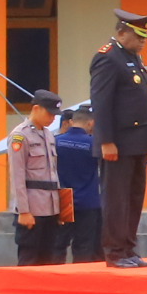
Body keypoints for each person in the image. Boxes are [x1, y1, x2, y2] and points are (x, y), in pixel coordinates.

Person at [88, 8, 147, 267]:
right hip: (118, 143)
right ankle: (114, 252)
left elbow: (130, 99)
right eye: (139, 35)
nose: (143, 40)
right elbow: (101, 103)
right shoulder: (108, 58)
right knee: (117, 198)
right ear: (122, 33)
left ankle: (128, 250)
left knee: (134, 197)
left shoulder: (132, 57)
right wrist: (105, 141)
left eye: (145, 36)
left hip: (137, 141)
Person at [5, 90, 67, 266]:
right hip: (32, 208)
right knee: (29, 257)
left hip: (51, 207)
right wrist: (23, 211)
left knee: (48, 258)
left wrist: (61, 207)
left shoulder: (48, 135)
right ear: (36, 108)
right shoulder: (20, 135)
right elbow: (17, 176)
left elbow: (53, 173)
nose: (53, 118)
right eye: (49, 113)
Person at [53, 104, 101, 264]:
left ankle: (55, 279)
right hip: (88, 201)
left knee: (58, 244)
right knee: (84, 246)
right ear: (90, 123)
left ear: (71, 122)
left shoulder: (56, 142)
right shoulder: (94, 143)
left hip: (64, 199)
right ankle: (81, 282)